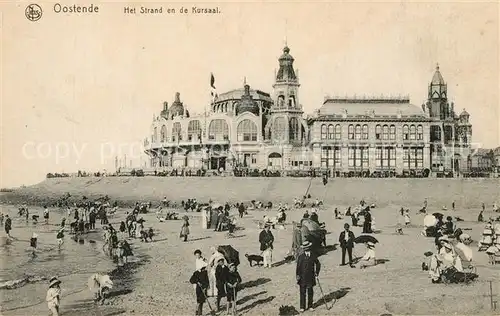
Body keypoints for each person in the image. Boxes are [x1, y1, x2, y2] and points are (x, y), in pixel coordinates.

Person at [296, 241, 321, 312]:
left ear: (309, 247)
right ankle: (302, 307)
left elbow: (318, 264)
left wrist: (317, 273)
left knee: (310, 292)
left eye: (307, 248)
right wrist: (297, 276)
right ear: (303, 249)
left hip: (311, 276)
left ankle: (310, 305)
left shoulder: (313, 255)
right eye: (305, 248)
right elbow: (298, 267)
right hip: (302, 277)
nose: (306, 249)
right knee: (302, 292)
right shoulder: (301, 257)